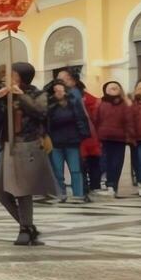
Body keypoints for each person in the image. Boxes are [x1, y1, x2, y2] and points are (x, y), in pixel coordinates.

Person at [0, 61, 57, 245]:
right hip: (6, 144)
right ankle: (29, 226)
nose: (7, 78)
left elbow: (41, 112)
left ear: (21, 77)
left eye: (12, 74)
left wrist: (21, 96)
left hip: (27, 144)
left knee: (22, 190)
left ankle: (25, 229)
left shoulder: (36, 93)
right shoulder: (3, 93)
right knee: (0, 192)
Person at [45, 79, 90, 203]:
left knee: (75, 170)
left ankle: (78, 194)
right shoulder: (50, 106)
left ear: (65, 91)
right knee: (58, 171)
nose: (58, 92)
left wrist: (83, 135)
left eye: (60, 89)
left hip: (72, 141)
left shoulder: (73, 103)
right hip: (56, 142)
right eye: (56, 90)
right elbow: (46, 122)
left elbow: (81, 119)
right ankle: (61, 194)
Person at [58, 67, 101, 195]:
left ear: (72, 81)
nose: (59, 82)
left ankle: (86, 188)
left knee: (84, 163)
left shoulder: (76, 94)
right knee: (80, 164)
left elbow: (86, 115)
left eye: (63, 79)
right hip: (76, 134)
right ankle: (85, 189)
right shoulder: (63, 95)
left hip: (81, 134)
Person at [95, 81, 133, 197]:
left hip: (119, 138)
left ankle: (113, 186)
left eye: (116, 87)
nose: (114, 89)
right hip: (103, 138)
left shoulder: (125, 104)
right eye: (111, 87)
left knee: (117, 163)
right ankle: (104, 183)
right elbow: (95, 119)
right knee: (104, 162)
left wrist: (130, 136)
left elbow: (129, 121)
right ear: (105, 90)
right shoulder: (100, 103)